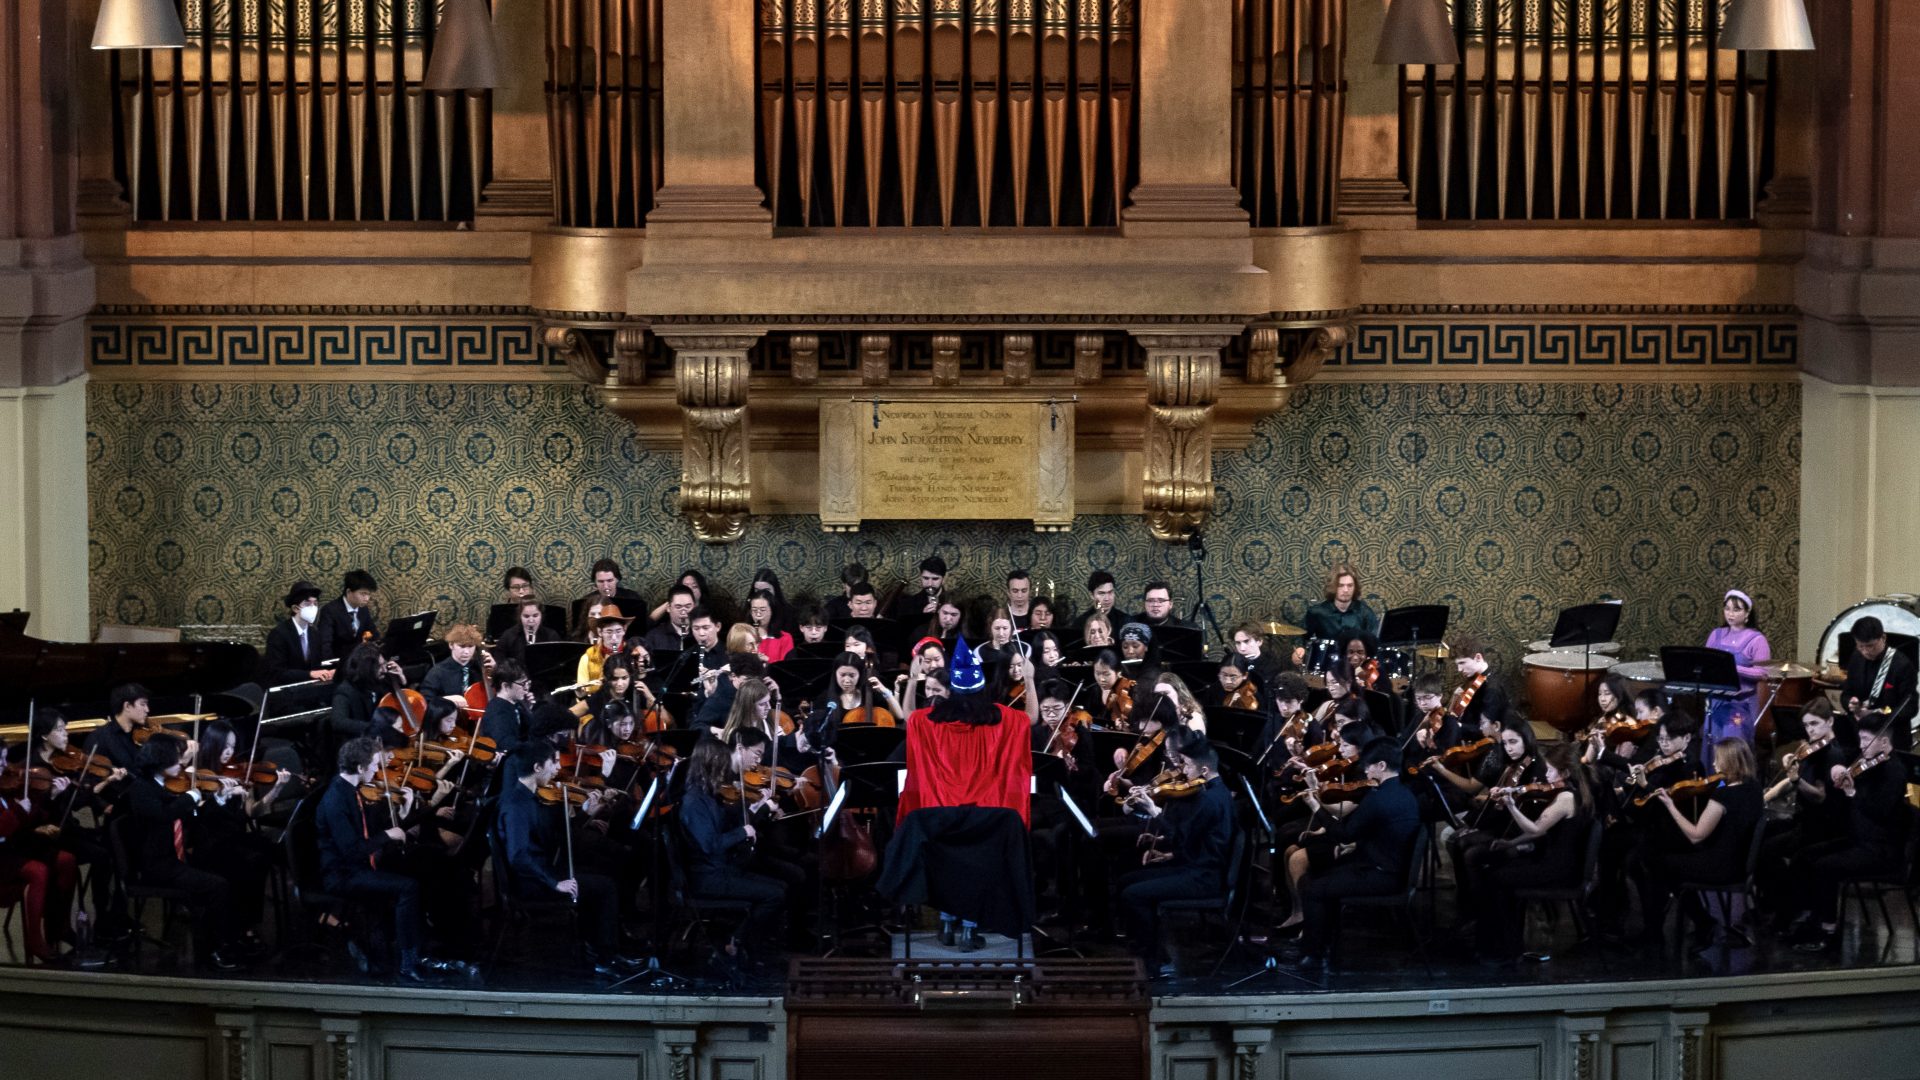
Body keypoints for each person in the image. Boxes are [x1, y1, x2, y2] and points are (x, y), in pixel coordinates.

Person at [896, 639, 1036, 948]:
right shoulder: (1002, 719)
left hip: (942, 814)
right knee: (978, 869)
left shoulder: (930, 721)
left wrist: (914, 682)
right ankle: (971, 931)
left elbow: (907, 716)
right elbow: (1033, 718)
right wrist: (1028, 677)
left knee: (949, 868)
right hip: (986, 817)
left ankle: (946, 925)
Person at [313, 736, 465, 982]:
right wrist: (387, 834)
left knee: (423, 870)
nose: (377, 768)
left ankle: (423, 949)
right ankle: (408, 962)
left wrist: (403, 815)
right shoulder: (336, 800)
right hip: (344, 874)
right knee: (408, 887)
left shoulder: (352, 791)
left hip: (362, 865)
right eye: (374, 764)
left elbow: (372, 832)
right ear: (361, 768)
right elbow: (352, 850)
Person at [493, 741, 638, 975]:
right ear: (538, 767)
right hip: (532, 883)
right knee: (606, 887)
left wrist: (584, 814)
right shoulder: (517, 805)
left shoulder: (528, 798)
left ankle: (597, 948)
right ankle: (605, 958)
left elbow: (557, 837)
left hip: (541, 874)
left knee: (601, 870)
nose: (558, 768)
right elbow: (519, 855)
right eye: (555, 762)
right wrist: (554, 882)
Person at [1285, 737, 1421, 972]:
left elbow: (1344, 834)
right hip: (1390, 869)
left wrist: (1316, 807)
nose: (1366, 771)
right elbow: (1380, 833)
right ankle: (1324, 945)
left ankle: (1312, 955)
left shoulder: (1378, 798)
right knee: (1322, 876)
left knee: (1312, 888)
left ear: (1380, 765)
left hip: (1381, 876)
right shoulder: (1405, 794)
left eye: (1369, 765)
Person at [1784, 714, 1910, 953]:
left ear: (1884, 743)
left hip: (1880, 850)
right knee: (1805, 856)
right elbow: (1847, 758)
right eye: (1860, 739)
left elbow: (1881, 811)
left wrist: (1853, 794)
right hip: (1857, 841)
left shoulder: (1894, 771)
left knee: (1825, 867)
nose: (1861, 745)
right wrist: (1840, 768)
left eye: (1866, 740)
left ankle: (1828, 931)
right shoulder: (1868, 761)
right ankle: (1810, 916)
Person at [1466, 741, 1593, 964]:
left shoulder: (1566, 798)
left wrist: (1512, 806)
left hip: (1556, 868)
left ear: (1564, 772)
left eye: (1551, 769)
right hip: (1555, 862)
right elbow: (1538, 833)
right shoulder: (1570, 793)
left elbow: (1535, 828)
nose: (1546, 773)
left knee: (1496, 878)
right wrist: (1511, 843)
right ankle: (1504, 942)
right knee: (1496, 871)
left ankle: (1505, 948)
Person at [1115, 738, 1233, 975]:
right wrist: (1163, 847)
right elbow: (1194, 840)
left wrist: (1154, 812)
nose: (1184, 771)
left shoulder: (1210, 799)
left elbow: (1185, 837)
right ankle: (1146, 948)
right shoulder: (1214, 793)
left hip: (1203, 877)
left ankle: (1150, 960)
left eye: (1187, 765)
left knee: (1133, 894)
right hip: (1196, 866)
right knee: (1127, 880)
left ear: (1204, 770)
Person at [125, 732, 240, 971]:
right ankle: (213, 951)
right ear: (160, 760)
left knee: (224, 872)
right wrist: (190, 796)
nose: (181, 764)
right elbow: (164, 814)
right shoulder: (141, 789)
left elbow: (191, 819)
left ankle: (214, 945)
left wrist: (217, 799)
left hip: (174, 862)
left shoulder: (166, 787)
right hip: (156, 866)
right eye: (177, 759)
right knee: (217, 886)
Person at [1637, 738, 1763, 952]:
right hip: (1740, 864)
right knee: (1667, 864)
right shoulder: (1754, 789)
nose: (1714, 765)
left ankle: (1699, 922)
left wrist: (1670, 805)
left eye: (1718, 760)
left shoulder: (1724, 795)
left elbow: (1696, 835)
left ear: (1731, 762)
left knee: (1658, 863)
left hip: (1721, 867)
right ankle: (1700, 921)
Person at [681, 731, 793, 966]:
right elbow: (711, 844)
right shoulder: (694, 801)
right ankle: (738, 943)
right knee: (774, 895)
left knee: (780, 887)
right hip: (708, 877)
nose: (725, 769)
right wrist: (742, 832)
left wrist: (753, 812)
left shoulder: (708, 796)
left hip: (720, 869)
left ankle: (743, 942)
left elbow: (724, 823)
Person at [189, 720, 292, 951]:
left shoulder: (237, 772)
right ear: (213, 744)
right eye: (225, 746)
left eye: (233, 747)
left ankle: (250, 921)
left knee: (269, 852)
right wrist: (221, 795)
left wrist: (275, 790)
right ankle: (236, 926)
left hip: (234, 837)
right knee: (248, 862)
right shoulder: (197, 774)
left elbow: (252, 812)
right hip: (210, 844)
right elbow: (198, 816)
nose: (230, 753)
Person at [0, 741, 78, 963]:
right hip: (2, 854)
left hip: (16, 846)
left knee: (66, 861)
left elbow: (32, 819)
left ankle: (59, 925)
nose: (7, 766)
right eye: (1, 760)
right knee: (38, 871)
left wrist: (49, 796)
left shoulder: (8, 785)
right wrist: (16, 810)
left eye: (6, 759)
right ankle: (34, 940)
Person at [1702, 589, 1771, 764]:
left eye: (1736, 609)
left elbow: (1763, 672)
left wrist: (1734, 668)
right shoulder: (1716, 634)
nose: (1730, 614)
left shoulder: (1757, 639)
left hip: (1740, 703)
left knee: (1732, 749)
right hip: (1716, 699)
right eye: (1727, 608)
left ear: (1747, 613)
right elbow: (1707, 662)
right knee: (1712, 747)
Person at [1843, 616, 1918, 752]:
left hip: (1891, 737)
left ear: (1883, 638)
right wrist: (1851, 703)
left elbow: (1910, 708)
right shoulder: (1856, 658)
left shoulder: (1902, 665)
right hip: (1861, 735)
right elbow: (1847, 693)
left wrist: (1877, 714)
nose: (1865, 651)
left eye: (1870, 646)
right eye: (1860, 646)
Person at [1297, 563, 1377, 671]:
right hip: (1325, 668)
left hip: (1356, 671)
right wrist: (1299, 648)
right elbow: (1299, 635)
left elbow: (1374, 643)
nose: (1345, 590)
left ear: (1355, 587)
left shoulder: (1365, 613)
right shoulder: (1317, 612)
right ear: (1333, 587)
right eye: (1341, 585)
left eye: (1350, 585)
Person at [261, 579, 335, 688]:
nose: (313, 607)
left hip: (309, 690)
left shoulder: (314, 634)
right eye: (307, 603)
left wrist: (328, 672)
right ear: (295, 608)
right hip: (286, 693)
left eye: (315, 603)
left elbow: (315, 666)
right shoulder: (279, 634)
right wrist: (309, 674)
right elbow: (276, 673)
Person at [312, 569, 380, 664]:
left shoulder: (363, 610)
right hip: (338, 664)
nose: (367, 598)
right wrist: (331, 667)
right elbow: (325, 644)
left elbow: (374, 635)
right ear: (348, 592)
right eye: (363, 594)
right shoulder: (330, 610)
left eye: (368, 594)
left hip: (360, 663)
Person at [420, 623, 492, 708]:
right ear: (451, 645)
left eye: (470, 646)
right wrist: (446, 699)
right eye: (462, 646)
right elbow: (425, 701)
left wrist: (494, 669)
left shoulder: (480, 667)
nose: (466, 652)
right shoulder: (437, 672)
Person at [89, 682, 153, 775]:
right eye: (143, 704)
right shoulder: (99, 738)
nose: (147, 710)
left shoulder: (145, 733)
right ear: (127, 706)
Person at [478, 660, 536, 755]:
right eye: (522, 684)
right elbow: (505, 745)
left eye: (528, 683)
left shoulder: (517, 704)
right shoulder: (496, 712)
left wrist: (529, 708)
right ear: (505, 686)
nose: (526, 688)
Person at [494, 597, 561, 669]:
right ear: (520, 616)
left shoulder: (551, 635)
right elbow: (500, 662)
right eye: (526, 616)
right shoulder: (508, 635)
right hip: (516, 678)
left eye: (535, 616)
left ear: (541, 615)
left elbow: (558, 663)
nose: (531, 620)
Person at [1231, 621, 1294, 697]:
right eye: (1238, 643)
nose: (1242, 648)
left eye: (1246, 641)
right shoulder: (1233, 662)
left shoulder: (1273, 664)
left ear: (1259, 641)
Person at [577, 606, 633, 687]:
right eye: (609, 632)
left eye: (618, 631)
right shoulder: (588, 657)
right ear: (600, 632)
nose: (614, 638)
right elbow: (582, 692)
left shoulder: (632, 655)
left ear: (624, 629)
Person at [1070, 570, 1129, 644]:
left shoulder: (1126, 621)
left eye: (1110, 592)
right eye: (1102, 593)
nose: (1107, 598)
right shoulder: (1080, 623)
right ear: (1092, 595)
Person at [890, 555, 949, 627]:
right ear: (920, 577)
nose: (930, 584)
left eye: (935, 579)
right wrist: (921, 617)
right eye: (926, 578)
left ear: (944, 579)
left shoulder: (952, 602)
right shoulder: (907, 604)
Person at [643, 586, 697, 654]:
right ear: (668, 608)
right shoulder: (654, 636)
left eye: (688, 607)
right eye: (678, 607)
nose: (683, 612)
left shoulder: (702, 633)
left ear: (695, 607)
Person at [748, 592, 794, 662]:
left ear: (772, 611)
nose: (758, 614)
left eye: (762, 610)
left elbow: (787, 667)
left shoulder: (785, 638)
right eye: (754, 610)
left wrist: (768, 660)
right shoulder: (745, 636)